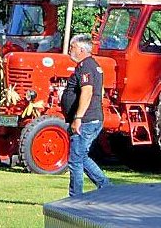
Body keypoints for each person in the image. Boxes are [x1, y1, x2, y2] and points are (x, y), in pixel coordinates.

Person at [62, 34, 111, 198]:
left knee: (75, 160)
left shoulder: (86, 66)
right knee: (81, 157)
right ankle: (106, 187)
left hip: (86, 120)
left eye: (72, 47)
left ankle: (75, 198)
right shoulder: (94, 66)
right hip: (92, 118)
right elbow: (101, 91)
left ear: (82, 49)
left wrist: (78, 118)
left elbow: (88, 91)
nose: (70, 50)